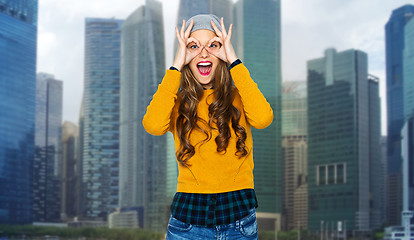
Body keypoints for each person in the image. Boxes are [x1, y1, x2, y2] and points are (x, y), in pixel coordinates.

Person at [143, 14, 273, 240]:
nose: (203, 53)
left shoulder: (240, 97)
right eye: (193, 46)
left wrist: (233, 60)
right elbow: (153, 125)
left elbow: (263, 119)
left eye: (213, 45)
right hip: (187, 222)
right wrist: (175, 65)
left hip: (239, 218)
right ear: (185, 55)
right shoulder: (177, 102)